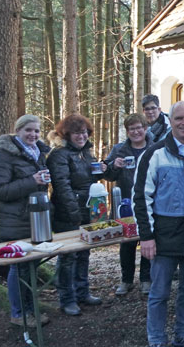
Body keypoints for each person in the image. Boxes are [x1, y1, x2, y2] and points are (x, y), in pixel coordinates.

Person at [133, 101, 184, 347]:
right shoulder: (154, 154)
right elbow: (140, 197)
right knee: (159, 293)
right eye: (179, 118)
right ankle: (157, 338)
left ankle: (183, 334)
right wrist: (146, 237)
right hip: (163, 236)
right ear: (171, 121)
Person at [0, 114, 51, 326]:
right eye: (28, 130)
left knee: (30, 267)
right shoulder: (5, 155)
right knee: (18, 267)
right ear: (18, 131)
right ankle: (18, 314)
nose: (33, 134)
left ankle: (30, 310)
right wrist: (31, 181)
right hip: (14, 222)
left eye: (36, 131)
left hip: (35, 221)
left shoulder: (38, 153)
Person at [47, 114, 106, 316]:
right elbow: (62, 187)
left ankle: (82, 292)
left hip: (87, 209)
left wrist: (102, 170)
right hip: (67, 213)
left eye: (84, 132)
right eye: (76, 133)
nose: (81, 136)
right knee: (68, 256)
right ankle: (67, 299)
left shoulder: (86, 153)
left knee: (84, 252)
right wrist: (75, 214)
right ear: (67, 134)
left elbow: (90, 179)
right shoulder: (59, 155)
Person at [103, 113, 152, 296]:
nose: (136, 131)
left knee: (148, 239)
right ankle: (126, 280)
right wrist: (114, 166)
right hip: (126, 203)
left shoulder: (154, 148)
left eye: (139, 127)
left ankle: (146, 279)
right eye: (132, 129)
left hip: (149, 203)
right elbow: (107, 175)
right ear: (127, 132)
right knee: (127, 244)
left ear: (145, 129)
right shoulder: (119, 150)